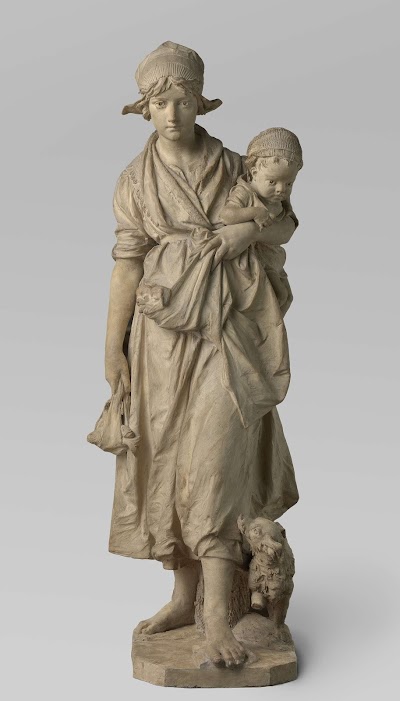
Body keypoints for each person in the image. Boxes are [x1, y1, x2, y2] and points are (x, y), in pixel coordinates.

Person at [102, 41, 299, 669]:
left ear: (199, 102)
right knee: (166, 462)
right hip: (161, 338)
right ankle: (185, 598)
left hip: (227, 331)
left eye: (182, 100)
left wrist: (245, 230)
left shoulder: (237, 165)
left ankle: (217, 617)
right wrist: (112, 347)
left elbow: (284, 219)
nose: (172, 113)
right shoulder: (135, 181)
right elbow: (127, 263)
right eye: (160, 103)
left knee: (214, 464)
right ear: (145, 108)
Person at [221, 127, 303, 316]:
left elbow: (289, 226)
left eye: (289, 183)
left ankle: (269, 329)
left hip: (274, 259)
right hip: (256, 261)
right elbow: (226, 216)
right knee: (279, 296)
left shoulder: (278, 198)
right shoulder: (244, 192)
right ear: (254, 172)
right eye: (272, 182)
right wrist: (254, 212)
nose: (281, 189)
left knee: (287, 298)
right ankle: (264, 328)